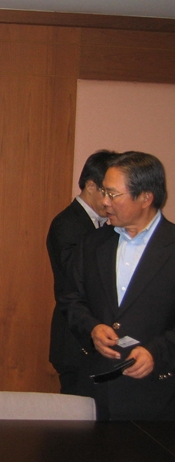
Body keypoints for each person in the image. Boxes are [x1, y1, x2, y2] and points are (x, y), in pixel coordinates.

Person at [61, 151, 175, 420]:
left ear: (145, 197)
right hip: (95, 389)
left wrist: (157, 352)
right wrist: (92, 328)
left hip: (158, 394)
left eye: (113, 194)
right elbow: (70, 299)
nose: (104, 202)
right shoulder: (93, 243)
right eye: (103, 192)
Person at [46, 150, 116, 394]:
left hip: (96, 339)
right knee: (77, 412)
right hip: (74, 340)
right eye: (108, 192)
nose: (111, 201)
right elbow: (78, 276)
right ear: (91, 185)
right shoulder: (67, 223)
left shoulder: (105, 225)